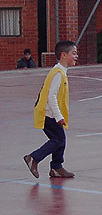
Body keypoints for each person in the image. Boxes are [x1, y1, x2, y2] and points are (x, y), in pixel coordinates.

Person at [23, 41, 78, 179]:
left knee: (60, 139)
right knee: (58, 140)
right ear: (63, 55)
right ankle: (33, 158)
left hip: (50, 113)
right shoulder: (58, 73)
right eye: (74, 53)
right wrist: (58, 116)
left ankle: (56, 168)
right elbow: (51, 96)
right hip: (48, 114)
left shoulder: (60, 71)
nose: (76, 56)